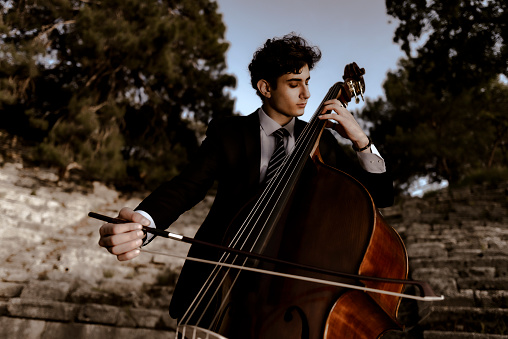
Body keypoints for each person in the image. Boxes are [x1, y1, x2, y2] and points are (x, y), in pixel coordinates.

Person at [98, 33, 394, 329]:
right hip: (218, 282)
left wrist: (361, 141)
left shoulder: (321, 143)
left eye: (307, 82)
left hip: (287, 294)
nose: (306, 94)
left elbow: (378, 198)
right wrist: (145, 222)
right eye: (294, 84)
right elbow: (187, 186)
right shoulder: (228, 132)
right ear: (265, 88)